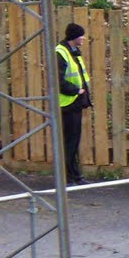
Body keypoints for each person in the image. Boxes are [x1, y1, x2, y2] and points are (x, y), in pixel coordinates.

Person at [55, 22, 93, 185]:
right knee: (70, 142)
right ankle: (70, 177)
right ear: (74, 37)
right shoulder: (61, 52)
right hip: (68, 102)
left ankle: (73, 175)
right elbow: (58, 79)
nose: (83, 38)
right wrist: (75, 90)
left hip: (75, 102)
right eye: (81, 35)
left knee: (73, 141)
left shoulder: (73, 52)